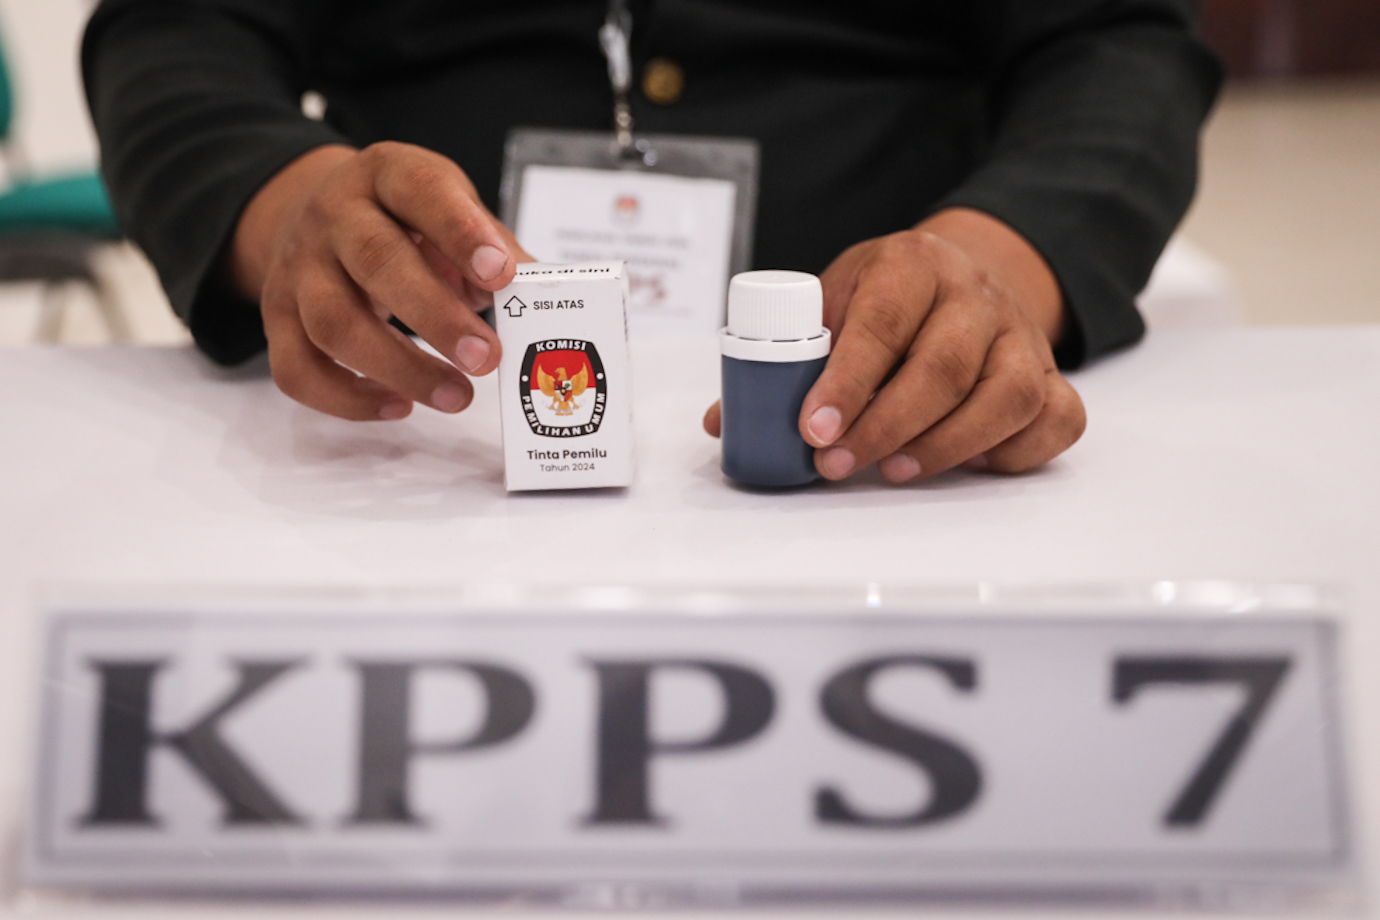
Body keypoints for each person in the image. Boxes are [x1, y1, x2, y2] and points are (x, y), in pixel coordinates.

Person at [82, 0, 1221, 484]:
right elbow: (176, 30)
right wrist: (289, 206)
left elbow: (1117, 42)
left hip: (890, 431)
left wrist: (996, 266)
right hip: (424, 417)